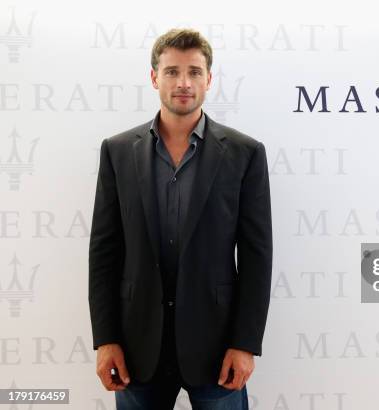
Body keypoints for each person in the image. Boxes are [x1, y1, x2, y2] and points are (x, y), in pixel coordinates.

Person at [88, 28, 273, 410]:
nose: (183, 83)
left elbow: (257, 257)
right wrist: (106, 340)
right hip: (137, 347)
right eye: (172, 71)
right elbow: (104, 252)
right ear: (154, 77)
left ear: (209, 79)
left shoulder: (245, 153)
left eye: (194, 71)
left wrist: (245, 344)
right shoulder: (118, 152)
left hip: (218, 347)